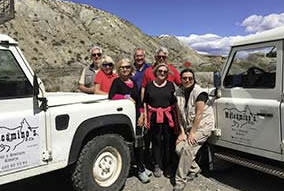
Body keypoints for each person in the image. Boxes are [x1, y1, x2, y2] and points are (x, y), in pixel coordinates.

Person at [108, 58, 152, 183]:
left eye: (127, 67)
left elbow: (138, 100)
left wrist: (142, 114)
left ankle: (141, 167)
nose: (125, 69)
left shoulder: (133, 81)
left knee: (140, 143)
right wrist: (125, 97)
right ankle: (138, 169)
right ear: (119, 69)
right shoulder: (117, 81)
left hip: (136, 115)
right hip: (124, 119)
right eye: (122, 67)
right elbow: (111, 96)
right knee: (131, 144)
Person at [173, 69, 215, 191]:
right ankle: (195, 169)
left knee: (187, 148)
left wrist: (192, 133)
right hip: (189, 127)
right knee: (178, 148)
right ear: (180, 79)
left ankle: (180, 181)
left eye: (190, 78)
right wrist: (182, 132)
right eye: (184, 78)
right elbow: (179, 115)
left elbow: (199, 114)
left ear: (194, 79)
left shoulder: (199, 93)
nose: (187, 80)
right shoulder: (178, 93)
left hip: (202, 126)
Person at [143, 63, 178, 178]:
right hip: (154, 118)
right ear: (155, 72)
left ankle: (167, 165)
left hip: (168, 117)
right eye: (160, 71)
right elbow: (145, 103)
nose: (162, 73)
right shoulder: (149, 86)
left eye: (164, 71)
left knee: (169, 141)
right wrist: (145, 119)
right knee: (156, 141)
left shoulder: (170, 85)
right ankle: (157, 164)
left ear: (167, 74)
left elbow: (174, 102)